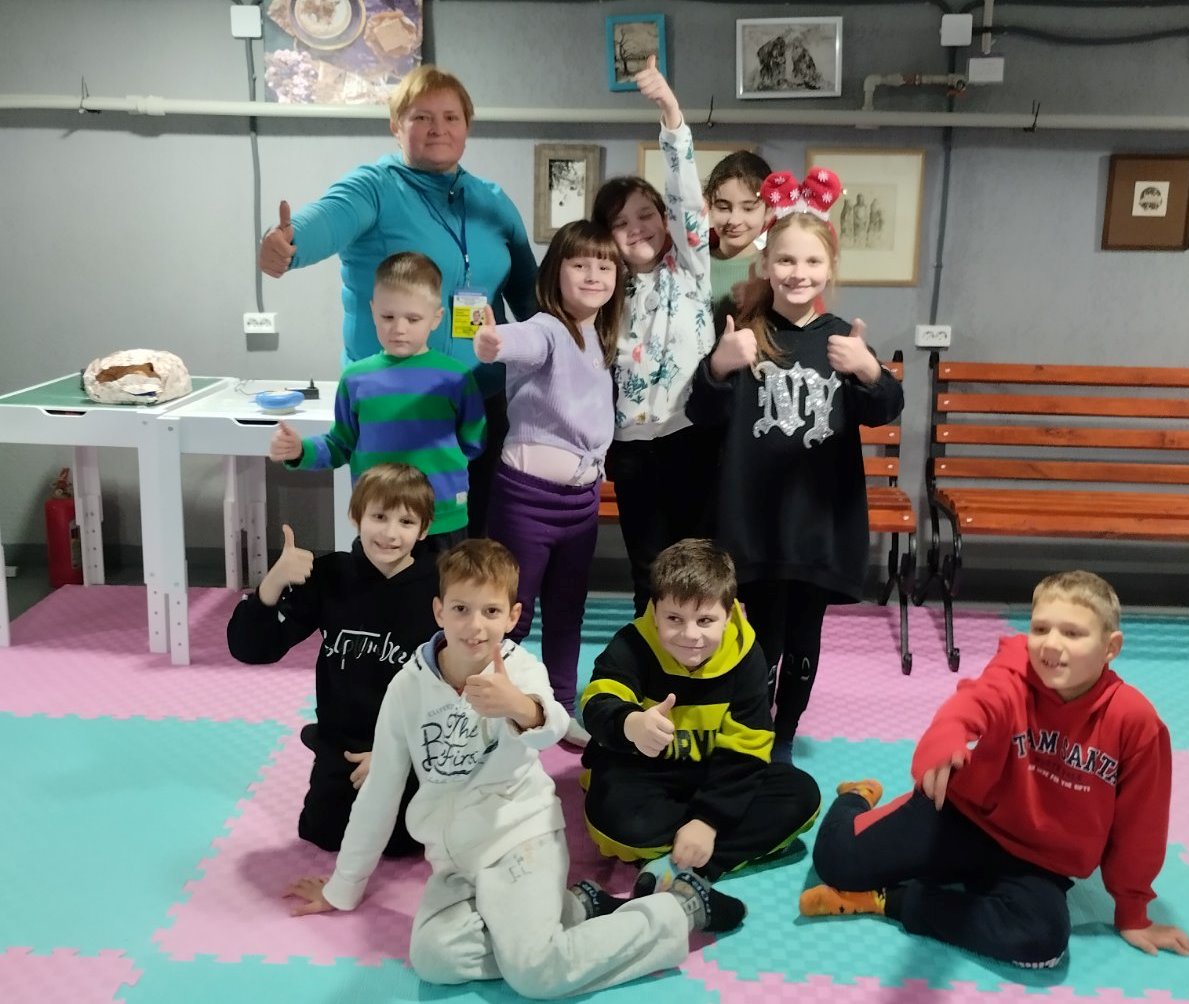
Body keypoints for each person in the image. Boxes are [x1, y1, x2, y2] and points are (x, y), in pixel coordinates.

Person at [284, 539, 748, 999]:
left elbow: (555, 725)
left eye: (491, 611)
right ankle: (574, 910)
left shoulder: (520, 670)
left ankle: (677, 909)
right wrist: (343, 887)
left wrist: (521, 708)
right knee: (434, 958)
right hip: (456, 861)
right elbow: (380, 790)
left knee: (536, 974)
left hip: (521, 841)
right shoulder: (408, 687)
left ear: (512, 616)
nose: (475, 625)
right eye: (461, 609)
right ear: (439, 611)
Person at [801, 571, 1189, 968]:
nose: (1051, 644)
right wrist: (946, 741)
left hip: (1037, 860)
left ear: (1111, 647)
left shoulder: (1135, 722)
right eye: (1040, 628)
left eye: (1073, 633)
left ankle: (892, 902)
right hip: (963, 818)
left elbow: (1141, 825)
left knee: (1041, 940)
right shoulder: (1015, 671)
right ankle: (857, 795)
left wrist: (1132, 912)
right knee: (837, 862)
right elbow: (974, 703)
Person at [257, 64, 538, 536]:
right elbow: (324, 220)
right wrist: (287, 243)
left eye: (450, 117)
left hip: (479, 400)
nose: (437, 128)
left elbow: (532, 297)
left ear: (467, 126)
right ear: (395, 125)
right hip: (394, 405)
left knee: (471, 546)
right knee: (394, 546)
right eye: (421, 117)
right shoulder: (374, 187)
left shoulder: (492, 200)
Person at [686, 168, 905, 761]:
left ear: (830, 267)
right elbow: (703, 412)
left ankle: (784, 734)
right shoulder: (746, 335)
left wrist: (869, 370)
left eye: (811, 261)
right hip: (755, 519)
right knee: (758, 634)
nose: (798, 273)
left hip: (819, 520)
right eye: (785, 260)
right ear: (765, 263)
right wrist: (720, 366)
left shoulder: (843, 341)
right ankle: (753, 731)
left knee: (805, 634)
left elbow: (884, 409)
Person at [580, 538, 821, 894]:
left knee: (802, 796)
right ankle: (700, 852)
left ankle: (689, 862)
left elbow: (747, 750)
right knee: (613, 818)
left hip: (715, 774)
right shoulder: (632, 644)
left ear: (729, 614)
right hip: (643, 775)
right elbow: (597, 701)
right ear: (654, 610)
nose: (690, 635)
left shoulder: (747, 657)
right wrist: (631, 724)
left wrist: (708, 821)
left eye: (705, 620)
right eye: (674, 619)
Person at [226, 463, 439, 856]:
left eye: (406, 521)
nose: (390, 533)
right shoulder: (330, 576)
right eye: (379, 517)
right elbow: (252, 648)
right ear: (356, 517)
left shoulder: (441, 587)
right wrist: (273, 582)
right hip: (342, 741)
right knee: (325, 835)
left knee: (404, 845)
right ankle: (322, 749)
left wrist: (399, 756)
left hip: (412, 745)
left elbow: (458, 689)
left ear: (424, 530)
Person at [472, 220, 624, 746]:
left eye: (604, 266)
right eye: (579, 264)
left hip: (581, 503)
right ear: (555, 272)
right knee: (511, 610)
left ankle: (559, 708)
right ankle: (495, 706)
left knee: (567, 611)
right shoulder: (549, 328)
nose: (592, 275)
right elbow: (520, 341)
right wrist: (493, 340)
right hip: (527, 501)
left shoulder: (601, 338)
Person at [591, 56, 717, 616]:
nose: (636, 228)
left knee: (698, 563)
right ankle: (651, 661)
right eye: (621, 223)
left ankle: (699, 657)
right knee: (647, 567)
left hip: (692, 435)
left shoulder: (689, 266)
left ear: (666, 221)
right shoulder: (603, 287)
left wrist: (671, 114)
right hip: (631, 446)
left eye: (646, 214)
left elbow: (687, 194)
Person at [269, 252, 483, 553]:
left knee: (443, 586)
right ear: (373, 311)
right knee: (373, 586)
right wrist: (300, 451)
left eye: (413, 319)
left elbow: (474, 443)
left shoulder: (457, 378)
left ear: (436, 318)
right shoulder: (355, 379)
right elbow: (340, 444)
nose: (399, 328)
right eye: (388, 317)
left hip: (443, 520)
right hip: (378, 522)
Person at [704, 150, 771, 328]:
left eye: (748, 208)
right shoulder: (692, 264)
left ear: (769, 210)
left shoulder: (778, 269)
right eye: (723, 207)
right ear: (709, 206)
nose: (734, 220)